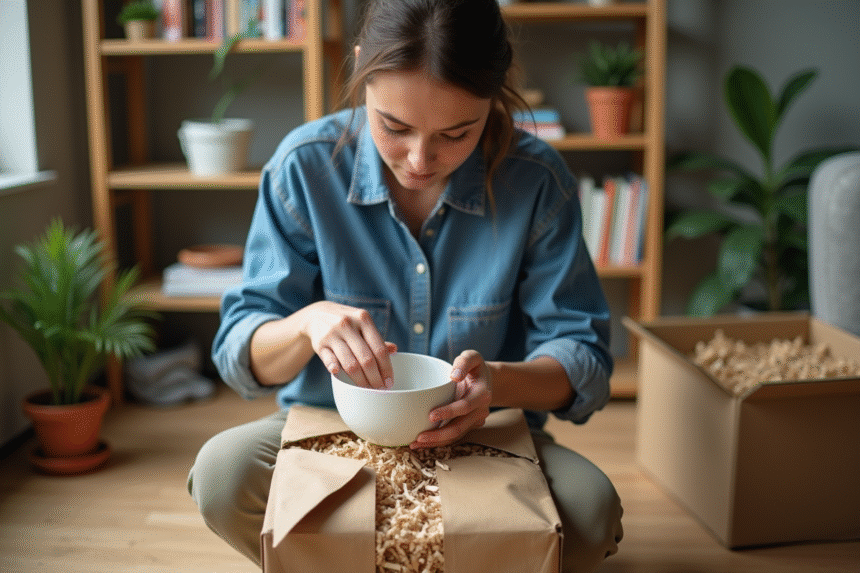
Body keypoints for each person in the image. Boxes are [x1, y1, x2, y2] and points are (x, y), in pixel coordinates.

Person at [188, 0, 623, 571]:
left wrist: (496, 383)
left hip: (484, 435)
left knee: (592, 513)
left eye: (457, 133)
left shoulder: (536, 180)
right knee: (221, 475)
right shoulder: (304, 166)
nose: (420, 160)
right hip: (331, 431)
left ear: (495, 94)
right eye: (393, 126)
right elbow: (241, 355)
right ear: (362, 69)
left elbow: (583, 360)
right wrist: (306, 322)